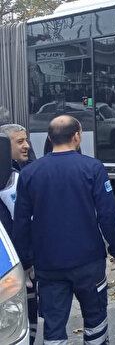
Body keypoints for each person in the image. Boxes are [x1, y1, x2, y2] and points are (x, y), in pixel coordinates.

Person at [12, 115, 115, 345]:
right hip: (89, 261)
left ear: (49, 138)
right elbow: (107, 213)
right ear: (77, 136)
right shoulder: (93, 167)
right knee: (95, 319)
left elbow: (21, 222)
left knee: (53, 323)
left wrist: (26, 261)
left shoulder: (30, 174)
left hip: (48, 263)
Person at [0, 127, 38, 344]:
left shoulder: (18, 174)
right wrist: (28, 261)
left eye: (27, 141)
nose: (27, 146)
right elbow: (24, 222)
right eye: (20, 142)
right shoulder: (11, 180)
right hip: (14, 265)